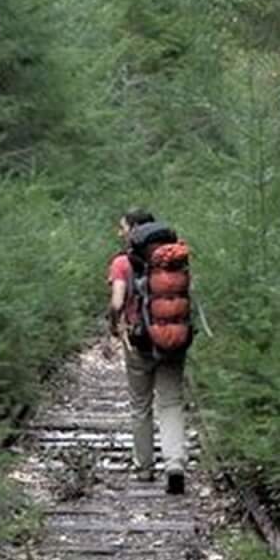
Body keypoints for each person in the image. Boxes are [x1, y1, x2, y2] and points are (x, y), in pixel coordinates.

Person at [106, 208, 188, 495]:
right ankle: (175, 463)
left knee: (140, 405)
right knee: (171, 403)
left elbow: (117, 302)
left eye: (122, 227)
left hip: (138, 340)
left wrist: (114, 326)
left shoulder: (122, 263)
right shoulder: (174, 260)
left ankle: (144, 468)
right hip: (173, 340)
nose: (120, 232)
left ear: (134, 230)